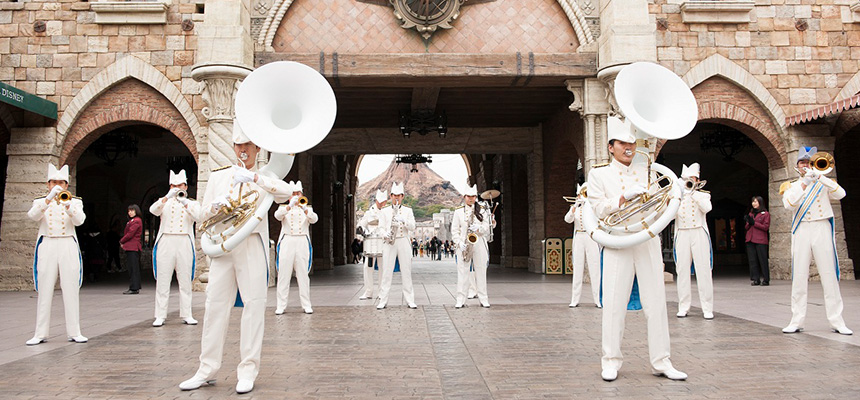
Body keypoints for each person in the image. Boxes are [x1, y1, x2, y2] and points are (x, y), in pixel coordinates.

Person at [179, 121, 292, 394]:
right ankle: (206, 368)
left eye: (248, 146)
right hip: (223, 245)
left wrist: (256, 179)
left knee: (254, 307)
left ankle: (248, 369)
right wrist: (213, 208)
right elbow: (203, 213)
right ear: (233, 147)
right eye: (239, 146)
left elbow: (287, 193)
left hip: (251, 245)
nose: (243, 151)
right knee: (214, 306)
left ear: (257, 149)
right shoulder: (218, 176)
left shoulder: (265, 176)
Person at [586, 120, 686, 382]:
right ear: (611, 147)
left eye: (631, 143)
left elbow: (658, 205)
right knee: (614, 305)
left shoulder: (647, 171)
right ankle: (610, 361)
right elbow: (597, 209)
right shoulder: (598, 174)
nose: (629, 148)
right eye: (622, 144)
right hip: (617, 241)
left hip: (646, 240)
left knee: (656, 303)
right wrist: (622, 199)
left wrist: (673, 200)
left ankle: (662, 361)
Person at [780, 146, 852, 335]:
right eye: (802, 163)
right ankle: (796, 320)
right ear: (797, 166)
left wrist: (820, 176)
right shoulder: (792, 185)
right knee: (799, 276)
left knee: (829, 275)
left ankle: (837, 321)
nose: (805, 165)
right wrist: (804, 183)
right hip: (802, 228)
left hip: (821, 227)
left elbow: (841, 194)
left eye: (808, 162)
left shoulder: (824, 182)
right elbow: (789, 204)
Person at [25, 164, 88, 345]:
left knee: (71, 288)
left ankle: (74, 331)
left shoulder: (75, 201)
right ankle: (40, 333)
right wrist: (48, 199)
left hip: (67, 242)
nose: (57, 185)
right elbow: (33, 216)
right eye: (54, 182)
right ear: (48, 184)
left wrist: (68, 204)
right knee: (44, 289)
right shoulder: (40, 201)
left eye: (61, 182)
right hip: (48, 243)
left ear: (67, 185)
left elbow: (79, 220)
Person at [149, 169, 201, 327]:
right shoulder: (164, 202)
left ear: (185, 186)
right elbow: (153, 210)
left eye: (180, 185)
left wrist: (184, 202)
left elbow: (198, 216)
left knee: (185, 280)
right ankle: (160, 315)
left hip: (184, 240)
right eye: (174, 185)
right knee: (163, 280)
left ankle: (187, 313)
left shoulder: (191, 203)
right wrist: (167, 197)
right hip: (166, 240)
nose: (177, 188)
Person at [673, 163, 714, 319]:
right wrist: (679, 194)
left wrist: (693, 191)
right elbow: (670, 216)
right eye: (688, 179)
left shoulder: (703, 194)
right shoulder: (677, 195)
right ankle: (683, 306)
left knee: (703, 270)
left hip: (698, 232)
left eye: (693, 179)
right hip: (682, 233)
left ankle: (707, 307)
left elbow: (707, 208)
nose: (690, 181)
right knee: (682, 271)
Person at [274, 180, 318, 315]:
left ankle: (306, 304)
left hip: (301, 241)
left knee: (303, 275)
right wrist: (289, 206)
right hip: (288, 240)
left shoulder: (307, 208)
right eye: (293, 193)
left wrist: (304, 208)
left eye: (298, 193)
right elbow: (278, 216)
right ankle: (281, 305)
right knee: (283, 274)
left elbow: (314, 219)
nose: (296, 196)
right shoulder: (283, 208)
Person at [451, 185, 494, 308]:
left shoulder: (482, 210)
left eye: (473, 196)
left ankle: (483, 298)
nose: (471, 199)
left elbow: (486, 227)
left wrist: (478, 228)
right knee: (462, 272)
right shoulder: (458, 211)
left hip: (479, 242)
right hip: (464, 244)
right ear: (464, 197)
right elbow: (454, 230)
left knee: (480, 271)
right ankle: (460, 299)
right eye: (469, 196)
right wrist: (459, 243)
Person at [377, 182, 417, 309]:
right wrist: (385, 234)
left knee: (406, 271)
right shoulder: (384, 211)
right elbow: (380, 228)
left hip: (403, 240)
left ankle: (410, 299)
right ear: (391, 196)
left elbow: (413, 226)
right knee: (386, 272)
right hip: (390, 242)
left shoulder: (408, 210)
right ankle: (383, 300)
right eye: (394, 195)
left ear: (402, 196)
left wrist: (404, 220)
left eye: (399, 195)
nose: (397, 198)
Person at [564, 183, 601, 308]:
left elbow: (598, 219)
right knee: (578, 267)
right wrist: (574, 207)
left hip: (590, 237)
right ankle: (575, 299)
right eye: (579, 194)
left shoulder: (592, 207)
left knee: (594, 267)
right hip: (579, 237)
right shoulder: (575, 207)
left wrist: (588, 204)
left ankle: (598, 299)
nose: (580, 196)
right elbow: (567, 219)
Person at [357, 190, 387, 300]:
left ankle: (381, 292)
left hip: (382, 242)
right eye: (379, 201)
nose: (381, 203)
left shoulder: (386, 212)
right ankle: (368, 291)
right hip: (370, 242)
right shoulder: (369, 213)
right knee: (367, 267)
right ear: (376, 201)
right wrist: (365, 232)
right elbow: (361, 225)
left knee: (382, 268)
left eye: (383, 201)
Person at [744, 196, 770, 286]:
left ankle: (766, 279)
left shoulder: (765, 214)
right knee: (752, 260)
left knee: (762, 260)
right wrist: (748, 221)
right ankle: (755, 279)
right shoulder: (751, 213)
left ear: (760, 203)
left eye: (756, 202)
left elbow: (765, 227)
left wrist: (754, 223)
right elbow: (747, 227)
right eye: (753, 202)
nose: (754, 203)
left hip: (760, 240)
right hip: (750, 239)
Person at [120, 204, 143, 295]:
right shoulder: (132, 221)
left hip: (133, 247)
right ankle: (135, 286)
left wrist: (121, 241)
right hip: (131, 247)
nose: (130, 212)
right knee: (132, 267)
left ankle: (134, 287)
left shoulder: (136, 221)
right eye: (129, 211)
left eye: (132, 211)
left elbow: (130, 234)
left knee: (133, 268)